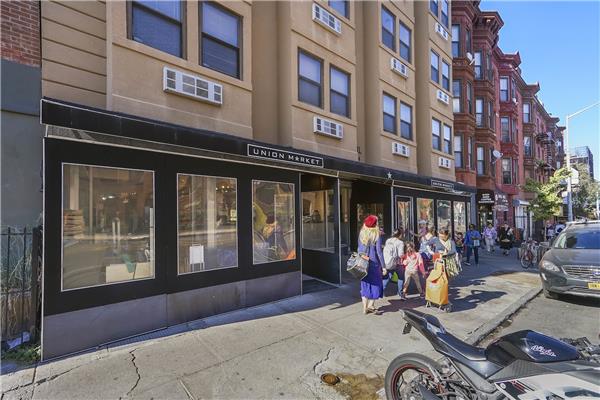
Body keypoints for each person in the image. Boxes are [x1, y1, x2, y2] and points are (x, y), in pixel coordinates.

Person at [357, 215, 385, 314]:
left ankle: (365, 308)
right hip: (374, 264)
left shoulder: (362, 233)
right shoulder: (376, 234)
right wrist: (384, 266)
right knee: (376, 284)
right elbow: (379, 252)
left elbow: (359, 249)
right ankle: (370, 305)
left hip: (363, 263)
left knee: (365, 284)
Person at [382, 228, 405, 298]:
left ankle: (381, 292)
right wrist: (405, 255)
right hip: (396, 263)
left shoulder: (388, 240)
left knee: (387, 277)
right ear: (400, 235)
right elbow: (400, 255)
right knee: (401, 277)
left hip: (387, 262)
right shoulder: (400, 242)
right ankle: (400, 293)